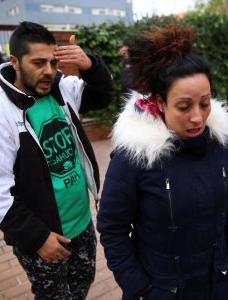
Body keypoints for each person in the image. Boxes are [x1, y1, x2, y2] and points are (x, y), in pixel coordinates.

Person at [97, 23, 228, 300]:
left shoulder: (220, 144)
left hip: (218, 283)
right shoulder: (135, 156)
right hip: (164, 289)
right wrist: (140, 288)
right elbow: (112, 227)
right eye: (184, 106)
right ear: (160, 102)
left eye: (204, 103)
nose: (197, 117)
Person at [0, 21, 115, 299]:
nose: (48, 71)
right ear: (15, 62)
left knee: (82, 283)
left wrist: (90, 65)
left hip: (81, 222)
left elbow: (103, 96)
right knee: (53, 296)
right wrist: (37, 238)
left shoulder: (61, 90)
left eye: (53, 62)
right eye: (38, 62)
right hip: (43, 237)